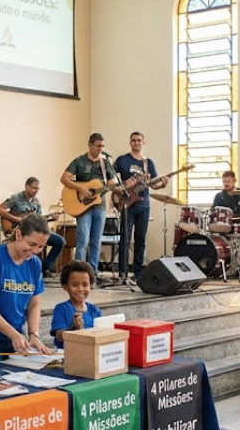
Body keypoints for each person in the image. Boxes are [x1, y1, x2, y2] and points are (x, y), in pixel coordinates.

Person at [0, 214, 51, 365]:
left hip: (16, 333)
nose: (35, 250)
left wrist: (33, 334)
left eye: (41, 246)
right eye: (31, 244)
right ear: (18, 235)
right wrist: (13, 335)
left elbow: (34, 303)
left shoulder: (35, 264)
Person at [60, 132, 122, 277]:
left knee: (96, 242)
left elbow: (112, 183)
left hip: (100, 207)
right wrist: (80, 188)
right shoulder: (79, 162)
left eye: (102, 146)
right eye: (98, 146)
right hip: (83, 208)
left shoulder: (105, 163)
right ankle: (78, 272)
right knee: (83, 241)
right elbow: (64, 178)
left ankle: (93, 274)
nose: (100, 149)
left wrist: (119, 186)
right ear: (90, 145)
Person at [113, 132, 168, 279]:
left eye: (139, 140)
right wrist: (121, 188)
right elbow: (111, 179)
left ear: (143, 142)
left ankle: (138, 273)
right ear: (130, 143)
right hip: (127, 204)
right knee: (125, 238)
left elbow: (153, 185)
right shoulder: (122, 160)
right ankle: (123, 273)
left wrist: (162, 184)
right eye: (133, 140)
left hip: (143, 204)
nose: (136, 143)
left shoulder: (148, 163)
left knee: (140, 240)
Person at [0, 177, 64, 276]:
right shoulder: (16, 198)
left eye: (37, 189)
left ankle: (43, 269)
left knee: (60, 241)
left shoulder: (36, 202)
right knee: (33, 243)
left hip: (34, 232)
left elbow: (40, 221)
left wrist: (51, 218)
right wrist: (16, 219)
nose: (35, 191)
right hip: (19, 230)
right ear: (27, 186)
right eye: (33, 188)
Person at [50, 261, 102, 349]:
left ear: (91, 285)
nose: (80, 289)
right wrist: (72, 329)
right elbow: (58, 335)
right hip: (67, 354)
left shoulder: (95, 310)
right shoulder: (61, 309)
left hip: (90, 353)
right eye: (75, 285)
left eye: (85, 285)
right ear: (65, 286)